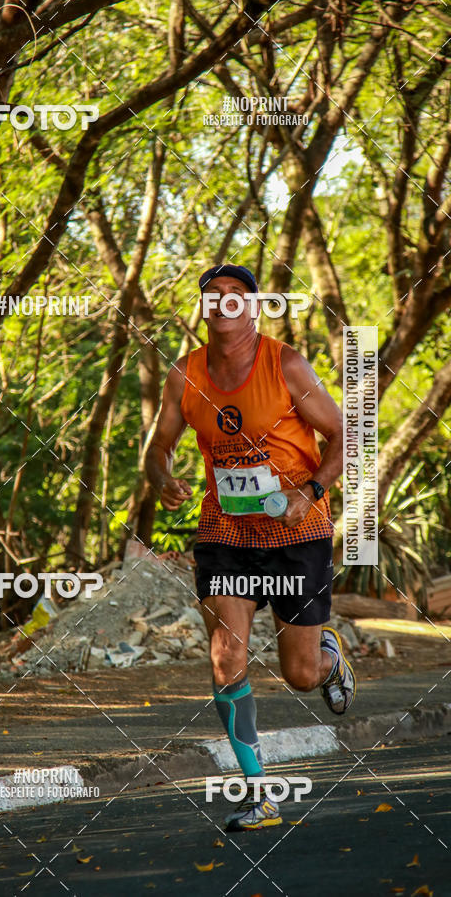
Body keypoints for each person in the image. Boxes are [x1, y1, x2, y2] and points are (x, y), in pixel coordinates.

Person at [145, 264, 355, 832]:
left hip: (296, 530)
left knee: (301, 675)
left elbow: (344, 434)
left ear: (254, 308)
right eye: (212, 296)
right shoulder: (184, 375)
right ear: (204, 310)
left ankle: (329, 656)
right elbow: (157, 447)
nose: (223, 303)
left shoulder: (284, 364)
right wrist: (160, 478)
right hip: (226, 530)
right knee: (225, 655)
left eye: (236, 295)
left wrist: (309, 491)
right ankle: (259, 792)